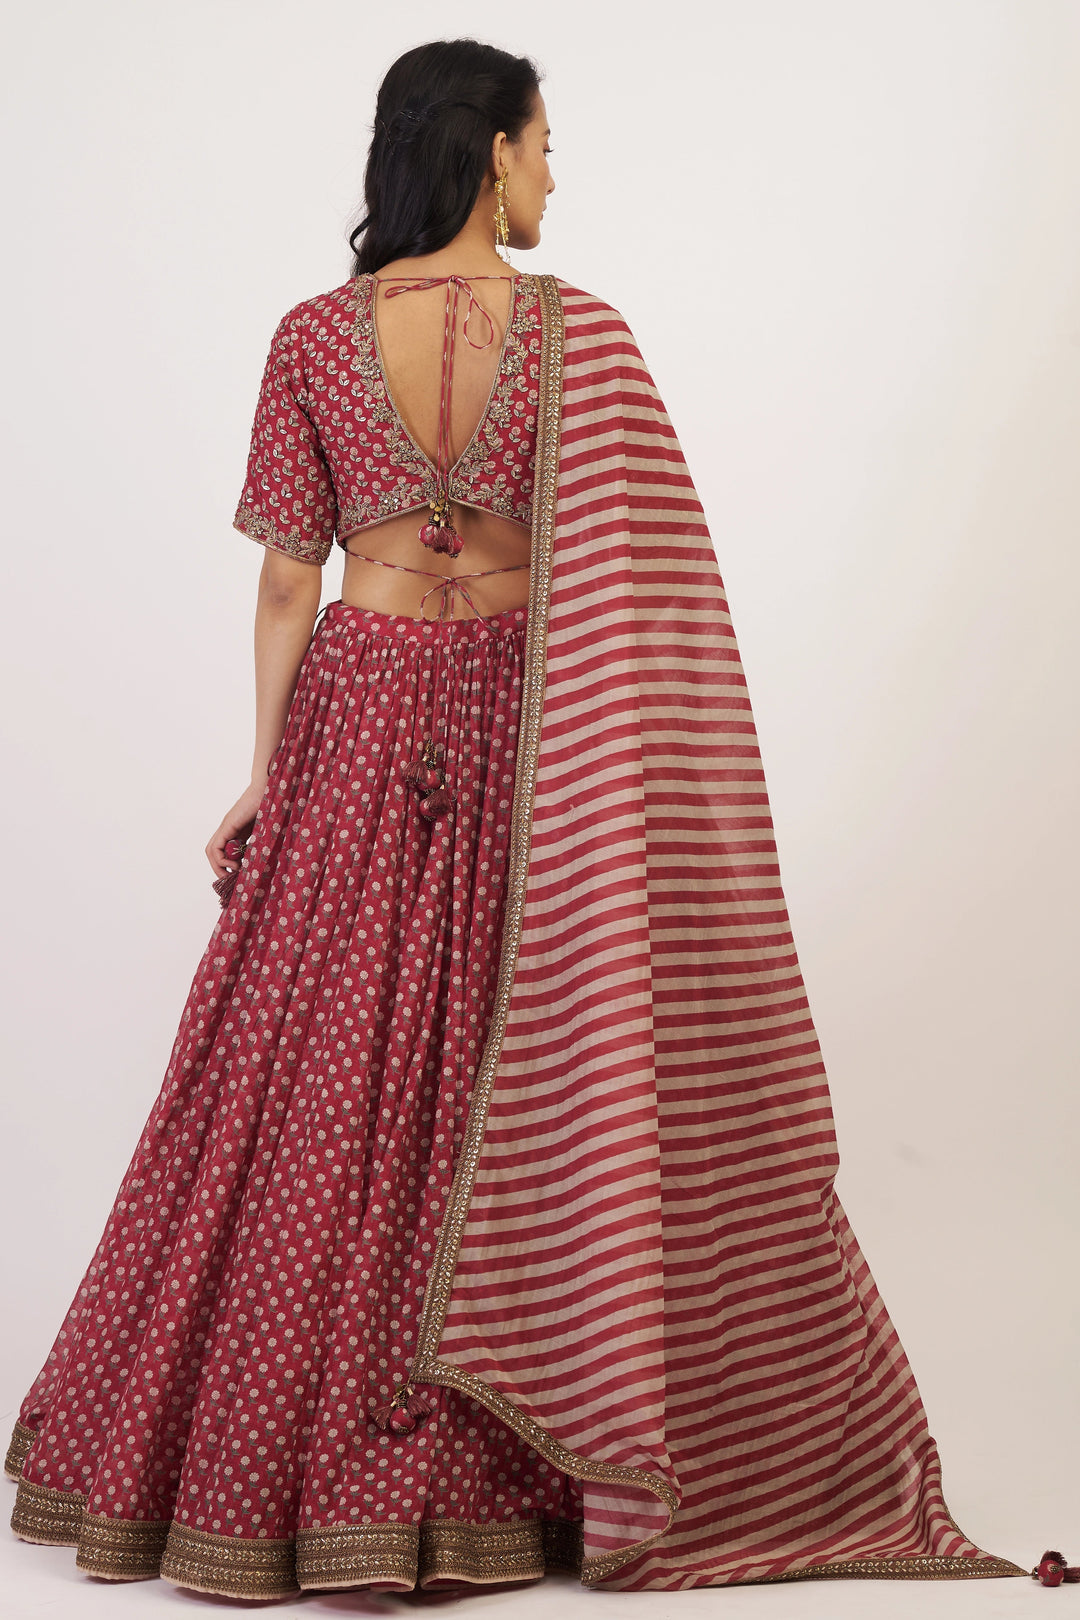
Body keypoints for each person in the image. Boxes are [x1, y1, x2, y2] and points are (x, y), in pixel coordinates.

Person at [5, 35, 1036, 1602]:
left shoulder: (313, 335)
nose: (558, 173)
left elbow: (288, 578)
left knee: (322, 1060)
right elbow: (642, 586)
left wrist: (272, 772)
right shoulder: (581, 337)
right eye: (547, 144)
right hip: (530, 720)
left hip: (359, 704)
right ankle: (532, 1460)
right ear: (491, 151)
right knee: (525, 1055)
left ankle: (267, 1463)